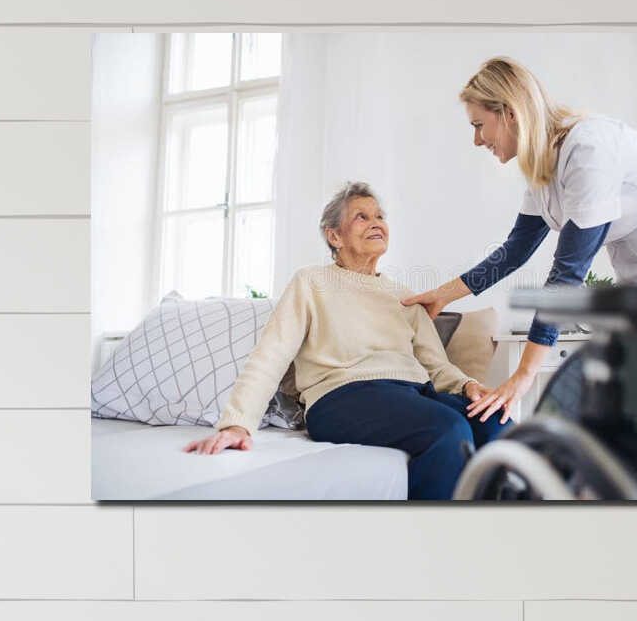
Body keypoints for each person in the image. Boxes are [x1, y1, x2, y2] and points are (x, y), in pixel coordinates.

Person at [401, 57, 637, 424]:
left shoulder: (588, 151)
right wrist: (442, 295)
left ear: (509, 113)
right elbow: (514, 252)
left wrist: (522, 377)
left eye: (478, 125)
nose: (476, 140)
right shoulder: (543, 165)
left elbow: (567, 275)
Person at [186, 181, 508, 501]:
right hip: (341, 398)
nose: (376, 223)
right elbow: (271, 354)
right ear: (335, 237)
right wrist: (238, 424)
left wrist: (467, 385)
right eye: (361, 217)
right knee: (448, 429)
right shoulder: (311, 282)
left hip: (412, 393)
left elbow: (437, 366)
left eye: (379, 216)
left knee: (498, 425)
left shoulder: (405, 297)